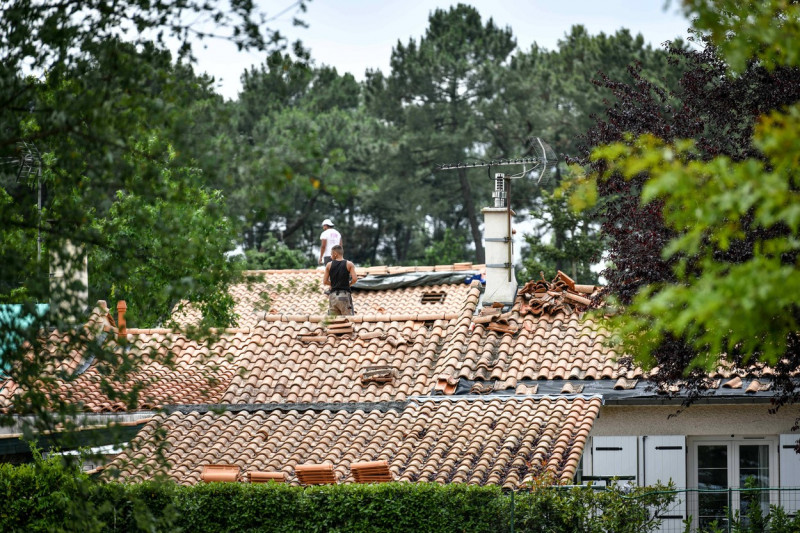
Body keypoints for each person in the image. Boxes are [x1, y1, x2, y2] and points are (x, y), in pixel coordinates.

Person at [323, 245, 357, 316]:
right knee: (348, 320)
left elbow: (325, 281)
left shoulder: (329, 265)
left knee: (333, 321)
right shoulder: (349, 264)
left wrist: (333, 284)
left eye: (331, 254)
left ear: (335, 254)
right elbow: (354, 279)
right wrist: (348, 284)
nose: (330, 256)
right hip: (344, 296)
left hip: (332, 296)